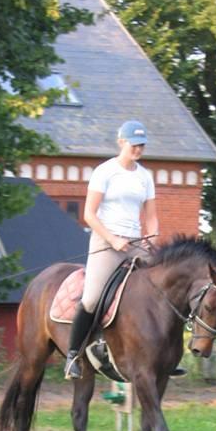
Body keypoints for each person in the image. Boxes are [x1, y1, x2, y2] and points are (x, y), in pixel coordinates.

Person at [64, 119, 159, 380]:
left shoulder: (145, 177)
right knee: (92, 298)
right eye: (134, 145)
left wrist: (151, 236)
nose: (138, 150)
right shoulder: (104, 172)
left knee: (162, 286)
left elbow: (150, 216)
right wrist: (113, 239)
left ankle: (163, 355)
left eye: (142, 146)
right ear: (121, 142)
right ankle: (73, 355)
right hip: (106, 241)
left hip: (136, 243)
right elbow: (89, 215)